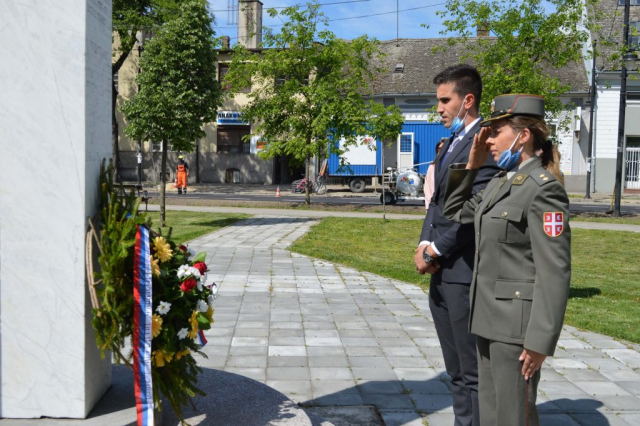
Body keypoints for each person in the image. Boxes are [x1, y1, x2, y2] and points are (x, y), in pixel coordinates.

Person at [442, 94, 571, 426]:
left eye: (496, 131)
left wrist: (540, 340)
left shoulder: (544, 190)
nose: (488, 139)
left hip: (516, 328)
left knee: (514, 416)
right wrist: (472, 165)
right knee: (492, 414)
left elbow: (554, 270)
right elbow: (455, 210)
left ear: (522, 135)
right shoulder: (501, 182)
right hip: (486, 318)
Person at [414, 64, 499, 426]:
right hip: (440, 270)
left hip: (464, 271)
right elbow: (436, 204)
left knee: (471, 369)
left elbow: (473, 209)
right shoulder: (449, 143)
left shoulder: (486, 142)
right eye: (438, 101)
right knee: (455, 370)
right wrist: (422, 244)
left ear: (468, 100)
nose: (439, 108)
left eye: (444, 100)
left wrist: (435, 250)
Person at [424, 138, 447, 211]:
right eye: (439, 149)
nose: (441, 151)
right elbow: (427, 186)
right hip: (433, 205)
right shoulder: (432, 167)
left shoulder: (451, 167)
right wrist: (430, 202)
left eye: (444, 148)